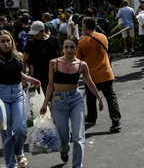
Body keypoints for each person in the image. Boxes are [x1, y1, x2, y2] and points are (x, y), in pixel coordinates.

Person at [40, 35, 104, 168]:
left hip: (76, 100)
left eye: (72, 47)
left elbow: (90, 83)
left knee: (78, 136)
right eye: (66, 47)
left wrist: (99, 98)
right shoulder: (54, 63)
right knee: (63, 136)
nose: (69, 50)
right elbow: (50, 85)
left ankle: (77, 166)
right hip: (58, 101)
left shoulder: (82, 65)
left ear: (76, 48)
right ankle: (64, 149)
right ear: (62, 48)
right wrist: (45, 104)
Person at [0, 30, 41, 168]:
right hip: (1, 96)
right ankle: (11, 164)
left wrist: (31, 79)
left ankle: (19, 151)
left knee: (21, 128)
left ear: (12, 41)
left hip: (17, 94)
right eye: (2, 41)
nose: (6, 43)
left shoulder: (18, 56)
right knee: (6, 132)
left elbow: (18, 74)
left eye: (8, 40)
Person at [76, 17, 121, 132]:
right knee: (111, 98)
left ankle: (92, 118)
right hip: (106, 73)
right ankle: (116, 121)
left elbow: (78, 59)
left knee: (91, 98)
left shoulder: (82, 42)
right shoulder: (103, 37)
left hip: (91, 76)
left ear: (85, 28)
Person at [22, 21, 64, 94]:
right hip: (38, 77)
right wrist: (23, 79)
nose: (34, 36)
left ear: (43, 31)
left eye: (36, 34)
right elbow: (24, 60)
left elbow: (63, 56)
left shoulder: (54, 40)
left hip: (54, 74)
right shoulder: (31, 43)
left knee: (55, 97)